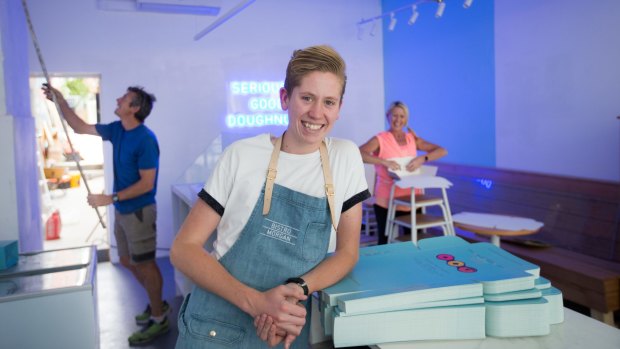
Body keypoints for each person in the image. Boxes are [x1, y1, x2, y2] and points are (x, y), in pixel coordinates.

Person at [170, 45, 370, 349]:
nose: (317, 112)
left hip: (286, 326)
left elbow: (347, 253)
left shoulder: (345, 158)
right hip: (213, 327)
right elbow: (183, 249)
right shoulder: (241, 156)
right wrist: (258, 303)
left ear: (339, 107)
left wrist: (293, 293)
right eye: (306, 98)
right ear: (284, 98)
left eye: (328, 101)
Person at [42, 84, 168, 346]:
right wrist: (61, 101)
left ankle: (159, 318)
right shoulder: (117, 129)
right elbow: (80, 127)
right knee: (125, 259)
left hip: (139, 213)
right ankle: (158, 302)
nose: (118, 99)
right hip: (123, 212)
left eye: (125, 98)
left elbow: (147, 184)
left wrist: (109, 199)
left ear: (134, 108)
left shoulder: (145, 139)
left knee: (145, 264)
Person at [359, 101, 447, 245]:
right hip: (387, 200)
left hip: (412, 198)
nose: (398, 120)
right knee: (385, 241)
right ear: (388, 116)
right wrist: (382, 161)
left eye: (402, 116)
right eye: (394, 116)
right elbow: (358, 153)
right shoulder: (380, 139)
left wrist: (422, 158)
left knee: (413, 241)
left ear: (406, 119)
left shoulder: (412, 138)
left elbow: (442, 150)